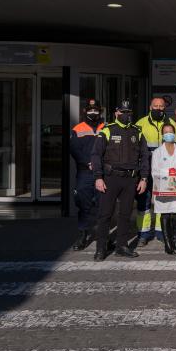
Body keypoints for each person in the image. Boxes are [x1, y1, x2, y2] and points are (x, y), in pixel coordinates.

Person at [91, 100, 150, 261]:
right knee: (105, 214)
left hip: (130, 179)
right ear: (116, 113)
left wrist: (144, 178)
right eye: (123, 112)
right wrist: (98, 177)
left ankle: (122, 246)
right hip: (110, 178)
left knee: (125, 214)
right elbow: (96, 155)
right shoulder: (107, 130)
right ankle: (101, 248)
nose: (126, 115)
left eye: (128, 112)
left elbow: (145, 156)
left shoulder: (137, 132)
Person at [135, 97, 176, 246]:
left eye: (161, 106)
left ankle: (162, 232)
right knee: (144, 201)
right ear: (150, 107)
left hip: (165, 170)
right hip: (146, 168)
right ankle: (143, 234)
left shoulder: (172, 124)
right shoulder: (141, 124)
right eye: (156, 106)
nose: (159, 108)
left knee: (163, 200)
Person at [151, 122, 176, 255]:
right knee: (165, 214)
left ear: (175, 134)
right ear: (162, 135)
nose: (169, 134)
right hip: (163, 187)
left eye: (171, 132)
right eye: (166, 132)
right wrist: (168, 173)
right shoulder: (157, 152)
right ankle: (167, 243)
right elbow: (154, 171)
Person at [69, 99, 104, 251]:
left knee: (103, 205)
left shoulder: (106, 127)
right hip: (85, 173)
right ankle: (83, 235)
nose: (93, 112)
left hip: (102, 173)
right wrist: (87, 163)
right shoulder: (78, 129)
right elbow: (74, 150)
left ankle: (103, 236)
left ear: (100, 111)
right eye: (90, 110)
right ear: (85, 111)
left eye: (96, 110)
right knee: (84, 205)